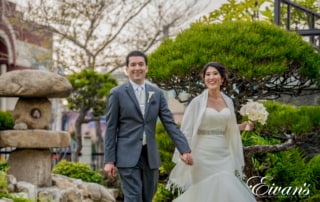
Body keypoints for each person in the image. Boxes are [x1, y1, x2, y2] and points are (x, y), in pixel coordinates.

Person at [103, 50, 193, 202]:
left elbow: (169, 124)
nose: (137, 68)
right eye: (133, 65)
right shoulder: (117, 93)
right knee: (134, 197)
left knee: (148, 197)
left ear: (146, 68)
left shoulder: (157, 93)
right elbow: (111, 128)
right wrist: (109, 160)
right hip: (126, 155)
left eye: (140, 64)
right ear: (127, 69)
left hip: (150, 155)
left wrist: (184, 149)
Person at [167, 62, 256, 202]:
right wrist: (184, 152)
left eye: (215, 74)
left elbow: (228, 127)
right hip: (202, 156)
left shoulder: (228, 101)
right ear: (204, 79)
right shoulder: (197, 102)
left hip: (224, 155)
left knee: (226, 190)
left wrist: (244, 125)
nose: (211, 77)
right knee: (204, 194)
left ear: (222, 79)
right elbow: (187, 130)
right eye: (207, 74)